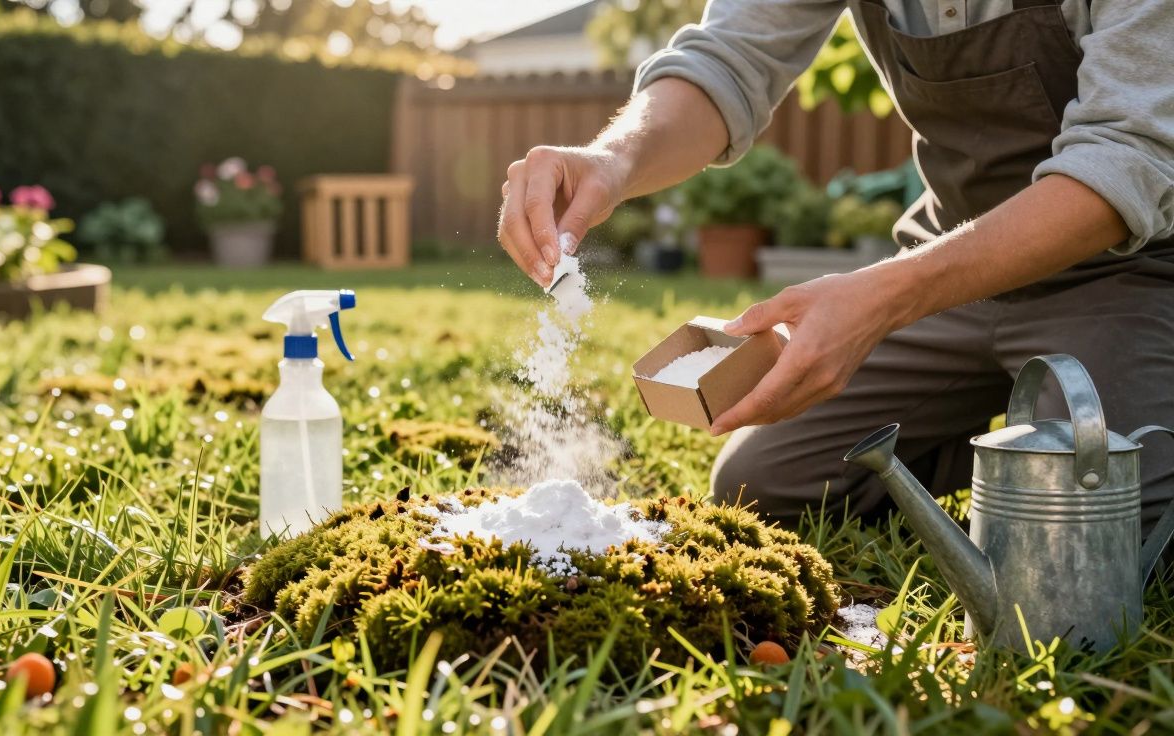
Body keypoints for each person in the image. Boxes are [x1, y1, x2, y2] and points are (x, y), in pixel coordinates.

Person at [496, 0, 1174, 529]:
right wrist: (613, 161)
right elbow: (728, 61)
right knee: (764, 487)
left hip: (1125, 271)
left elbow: (1125, 161)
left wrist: (884, 297)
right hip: (947, 273)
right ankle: (990, 446)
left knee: (1117, 523)